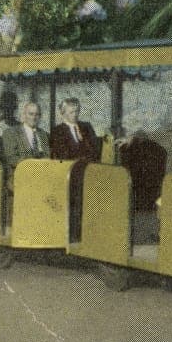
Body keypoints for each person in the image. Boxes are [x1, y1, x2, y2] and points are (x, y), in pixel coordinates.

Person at [49, 98, 100, 239]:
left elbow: (96, 149)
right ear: (62, 113)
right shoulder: (57, 131)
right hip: (70, 172)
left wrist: (83, 140)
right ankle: (75, 234)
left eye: (77, 111)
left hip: (89, 169)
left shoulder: (86, 127)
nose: (75, 115)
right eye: (72, 112)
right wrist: (82, 158)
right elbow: (62, 154)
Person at [1, 101, 49, 188]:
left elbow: (48, 155)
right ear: (24, 115)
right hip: (20, 177)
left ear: (40, 117)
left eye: (37, 114)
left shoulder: (44, 134)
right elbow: (12, 159)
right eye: (31, 114)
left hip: (42, 177)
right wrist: (34, 167)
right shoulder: (10, 133)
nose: (34, 117)